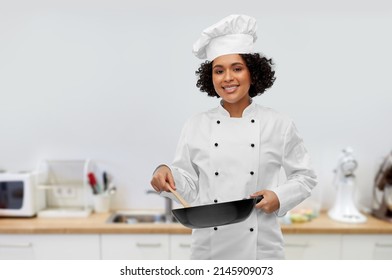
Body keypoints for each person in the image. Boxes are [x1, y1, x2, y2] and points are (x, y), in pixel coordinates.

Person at [150, 14, 317, 260]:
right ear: (211, 77)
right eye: (219, 71)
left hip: (261, 249)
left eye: (237, 68)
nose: (228, 78)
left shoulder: (278, 124)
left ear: (253, 73)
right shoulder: (196, 125)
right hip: (209, 249)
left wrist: (279, 197)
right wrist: (166, 173)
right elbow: (189, 188)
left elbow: (305, 177)